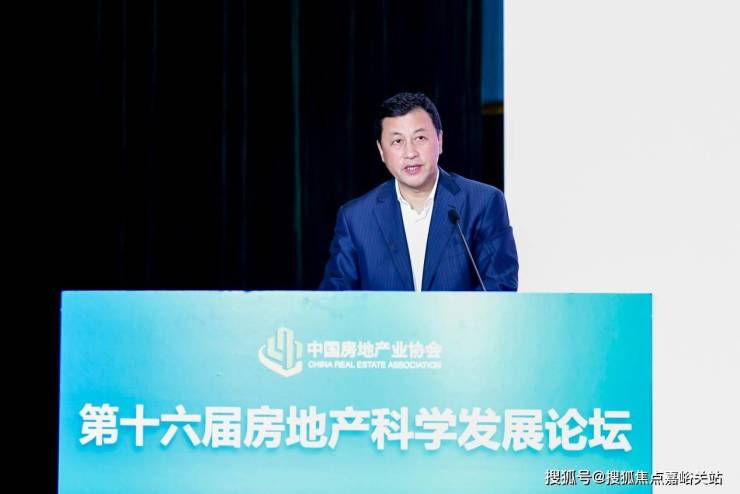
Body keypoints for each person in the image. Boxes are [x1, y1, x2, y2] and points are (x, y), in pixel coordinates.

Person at [319, 92, 518, 291]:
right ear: (381, 151)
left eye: (420, 138)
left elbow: (500, 287)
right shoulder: (356, 218)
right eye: (397, 141)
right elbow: (335, 299)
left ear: (440, 140)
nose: (410, 153)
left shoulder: (483, 203)